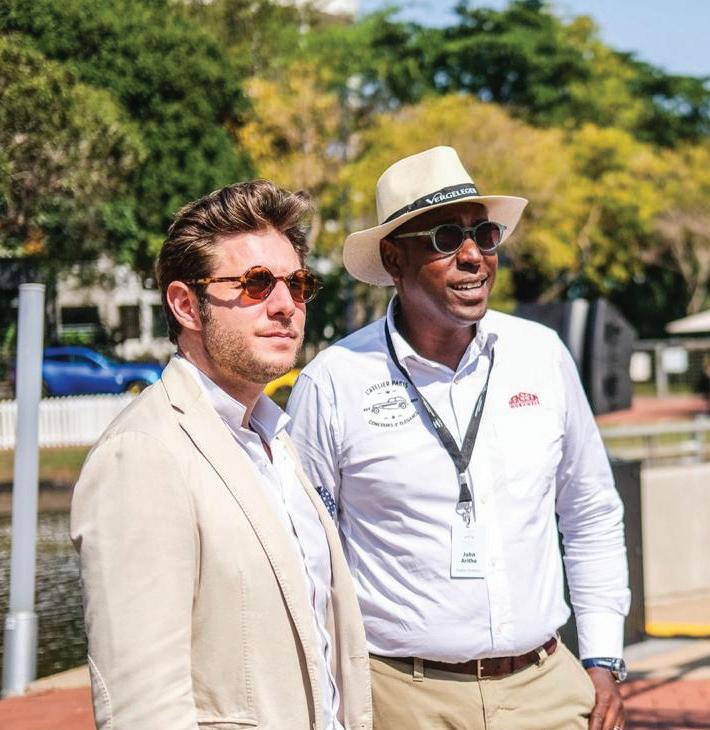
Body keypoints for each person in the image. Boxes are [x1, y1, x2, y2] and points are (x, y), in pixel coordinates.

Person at [287, 147, 630, 730]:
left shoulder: (540, 355)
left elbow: (590, 511)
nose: (473, 256)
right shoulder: (334, 382)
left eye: (484, 235)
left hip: (546, 688)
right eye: (446, 237)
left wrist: (602, 659)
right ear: (394, 258)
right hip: (402, 697)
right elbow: (306, 558)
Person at [71, 180, 372, 730]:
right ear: (187, 305)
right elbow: (143, 708)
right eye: (256, 284)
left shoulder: (276, 441)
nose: (285, 305)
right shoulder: (142, 455)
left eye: (297, 284)